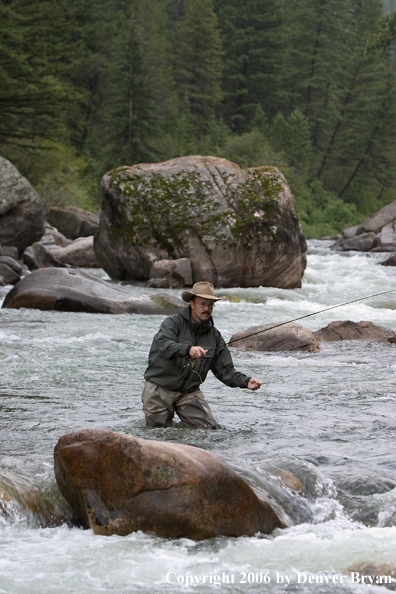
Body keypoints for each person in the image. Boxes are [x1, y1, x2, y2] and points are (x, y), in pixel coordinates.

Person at [142, 281, 262, 429]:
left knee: (209, 430)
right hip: (159, 389)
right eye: (202, 304)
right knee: (159, 436)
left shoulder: (215, 336)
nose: (207, 309)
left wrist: (246, 381)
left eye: (210, 305)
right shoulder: (172, 323)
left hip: (189, 393)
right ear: (192, 304)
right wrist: (188, 350)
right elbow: (163, 345)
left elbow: (226, 371)